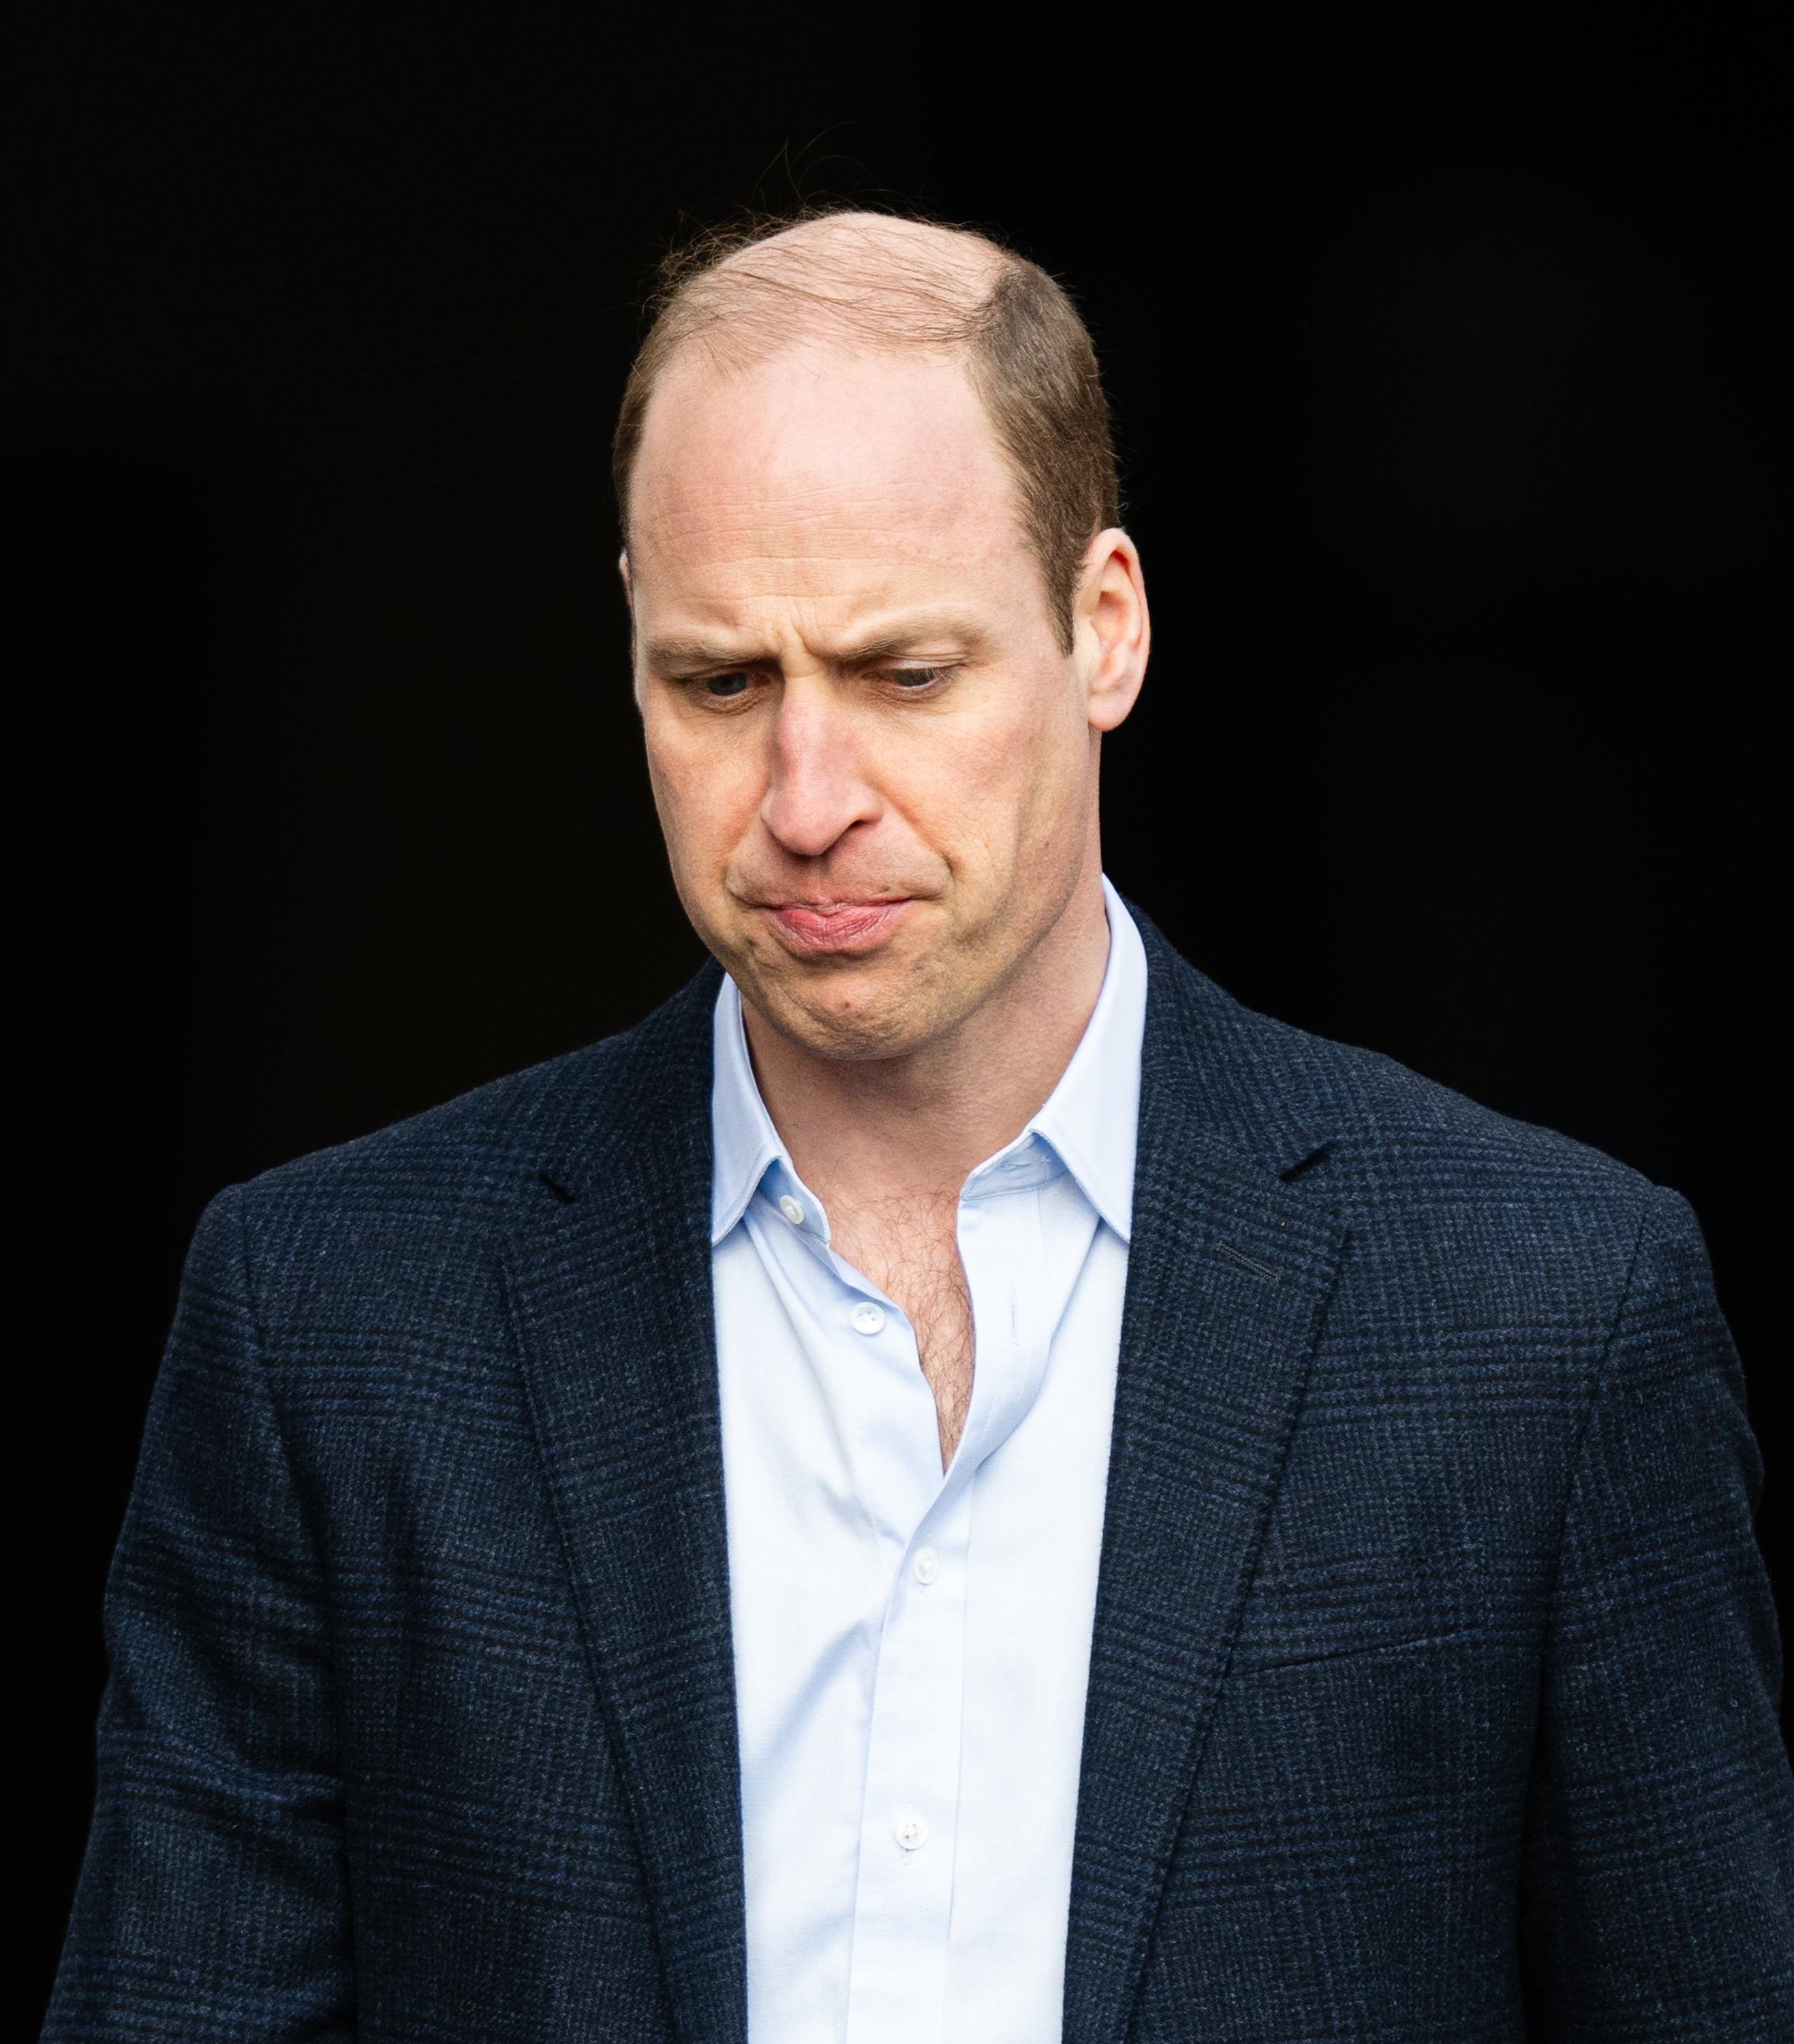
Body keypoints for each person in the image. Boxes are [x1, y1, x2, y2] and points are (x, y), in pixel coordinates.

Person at [46, 210, 1792, 2042]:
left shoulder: (1542, 1318)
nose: (805, 801)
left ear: (1101, 626)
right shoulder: (332, 1323)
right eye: (719, 683)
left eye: (903, 677)